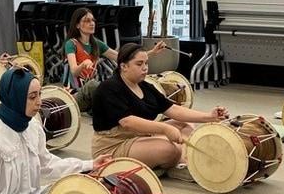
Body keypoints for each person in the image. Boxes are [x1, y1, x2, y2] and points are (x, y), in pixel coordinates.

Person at [91, 42, 227, 171]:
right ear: (123, 66)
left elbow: (173, 109)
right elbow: (127, 122)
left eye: (146, 63)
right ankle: (181, 158)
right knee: (170, 149)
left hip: (140, 137)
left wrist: (209, 116)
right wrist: (165, 128)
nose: (145, 68)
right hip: (113, 145)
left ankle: (183, 158)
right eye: (139, 64)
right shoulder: (109, 88)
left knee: (185, 124)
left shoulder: (145, 86)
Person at [62, 7, 166, 108]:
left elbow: (123, 57)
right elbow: (74, 71)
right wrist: (84, 64)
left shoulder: (96, 44)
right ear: (77, 25)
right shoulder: (71, 44)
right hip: (74, 94)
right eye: (87, 21)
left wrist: (153, 51)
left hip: (93, 94)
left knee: (112, 84)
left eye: (93, 20)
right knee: (93, 85)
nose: (92, 23)